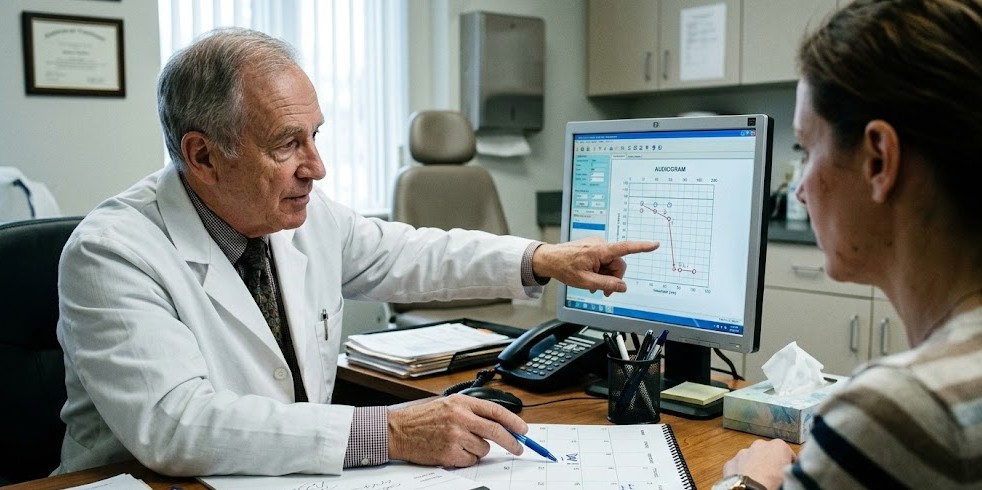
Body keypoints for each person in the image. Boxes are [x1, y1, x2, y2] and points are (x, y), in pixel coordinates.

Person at [53, 27, 658, 477]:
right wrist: (390, 430)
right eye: (288, 144)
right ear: (204, 156)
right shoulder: (113, 253)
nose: (316, 167)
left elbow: (414, 254)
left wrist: (539, 259)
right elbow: (175, 424)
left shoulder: (300, 217)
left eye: (314, 136)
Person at [716, 0, 982, 488]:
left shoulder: (895, 412)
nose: (799, 189)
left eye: (805, 148)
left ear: (879, 160)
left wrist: (749, 483)